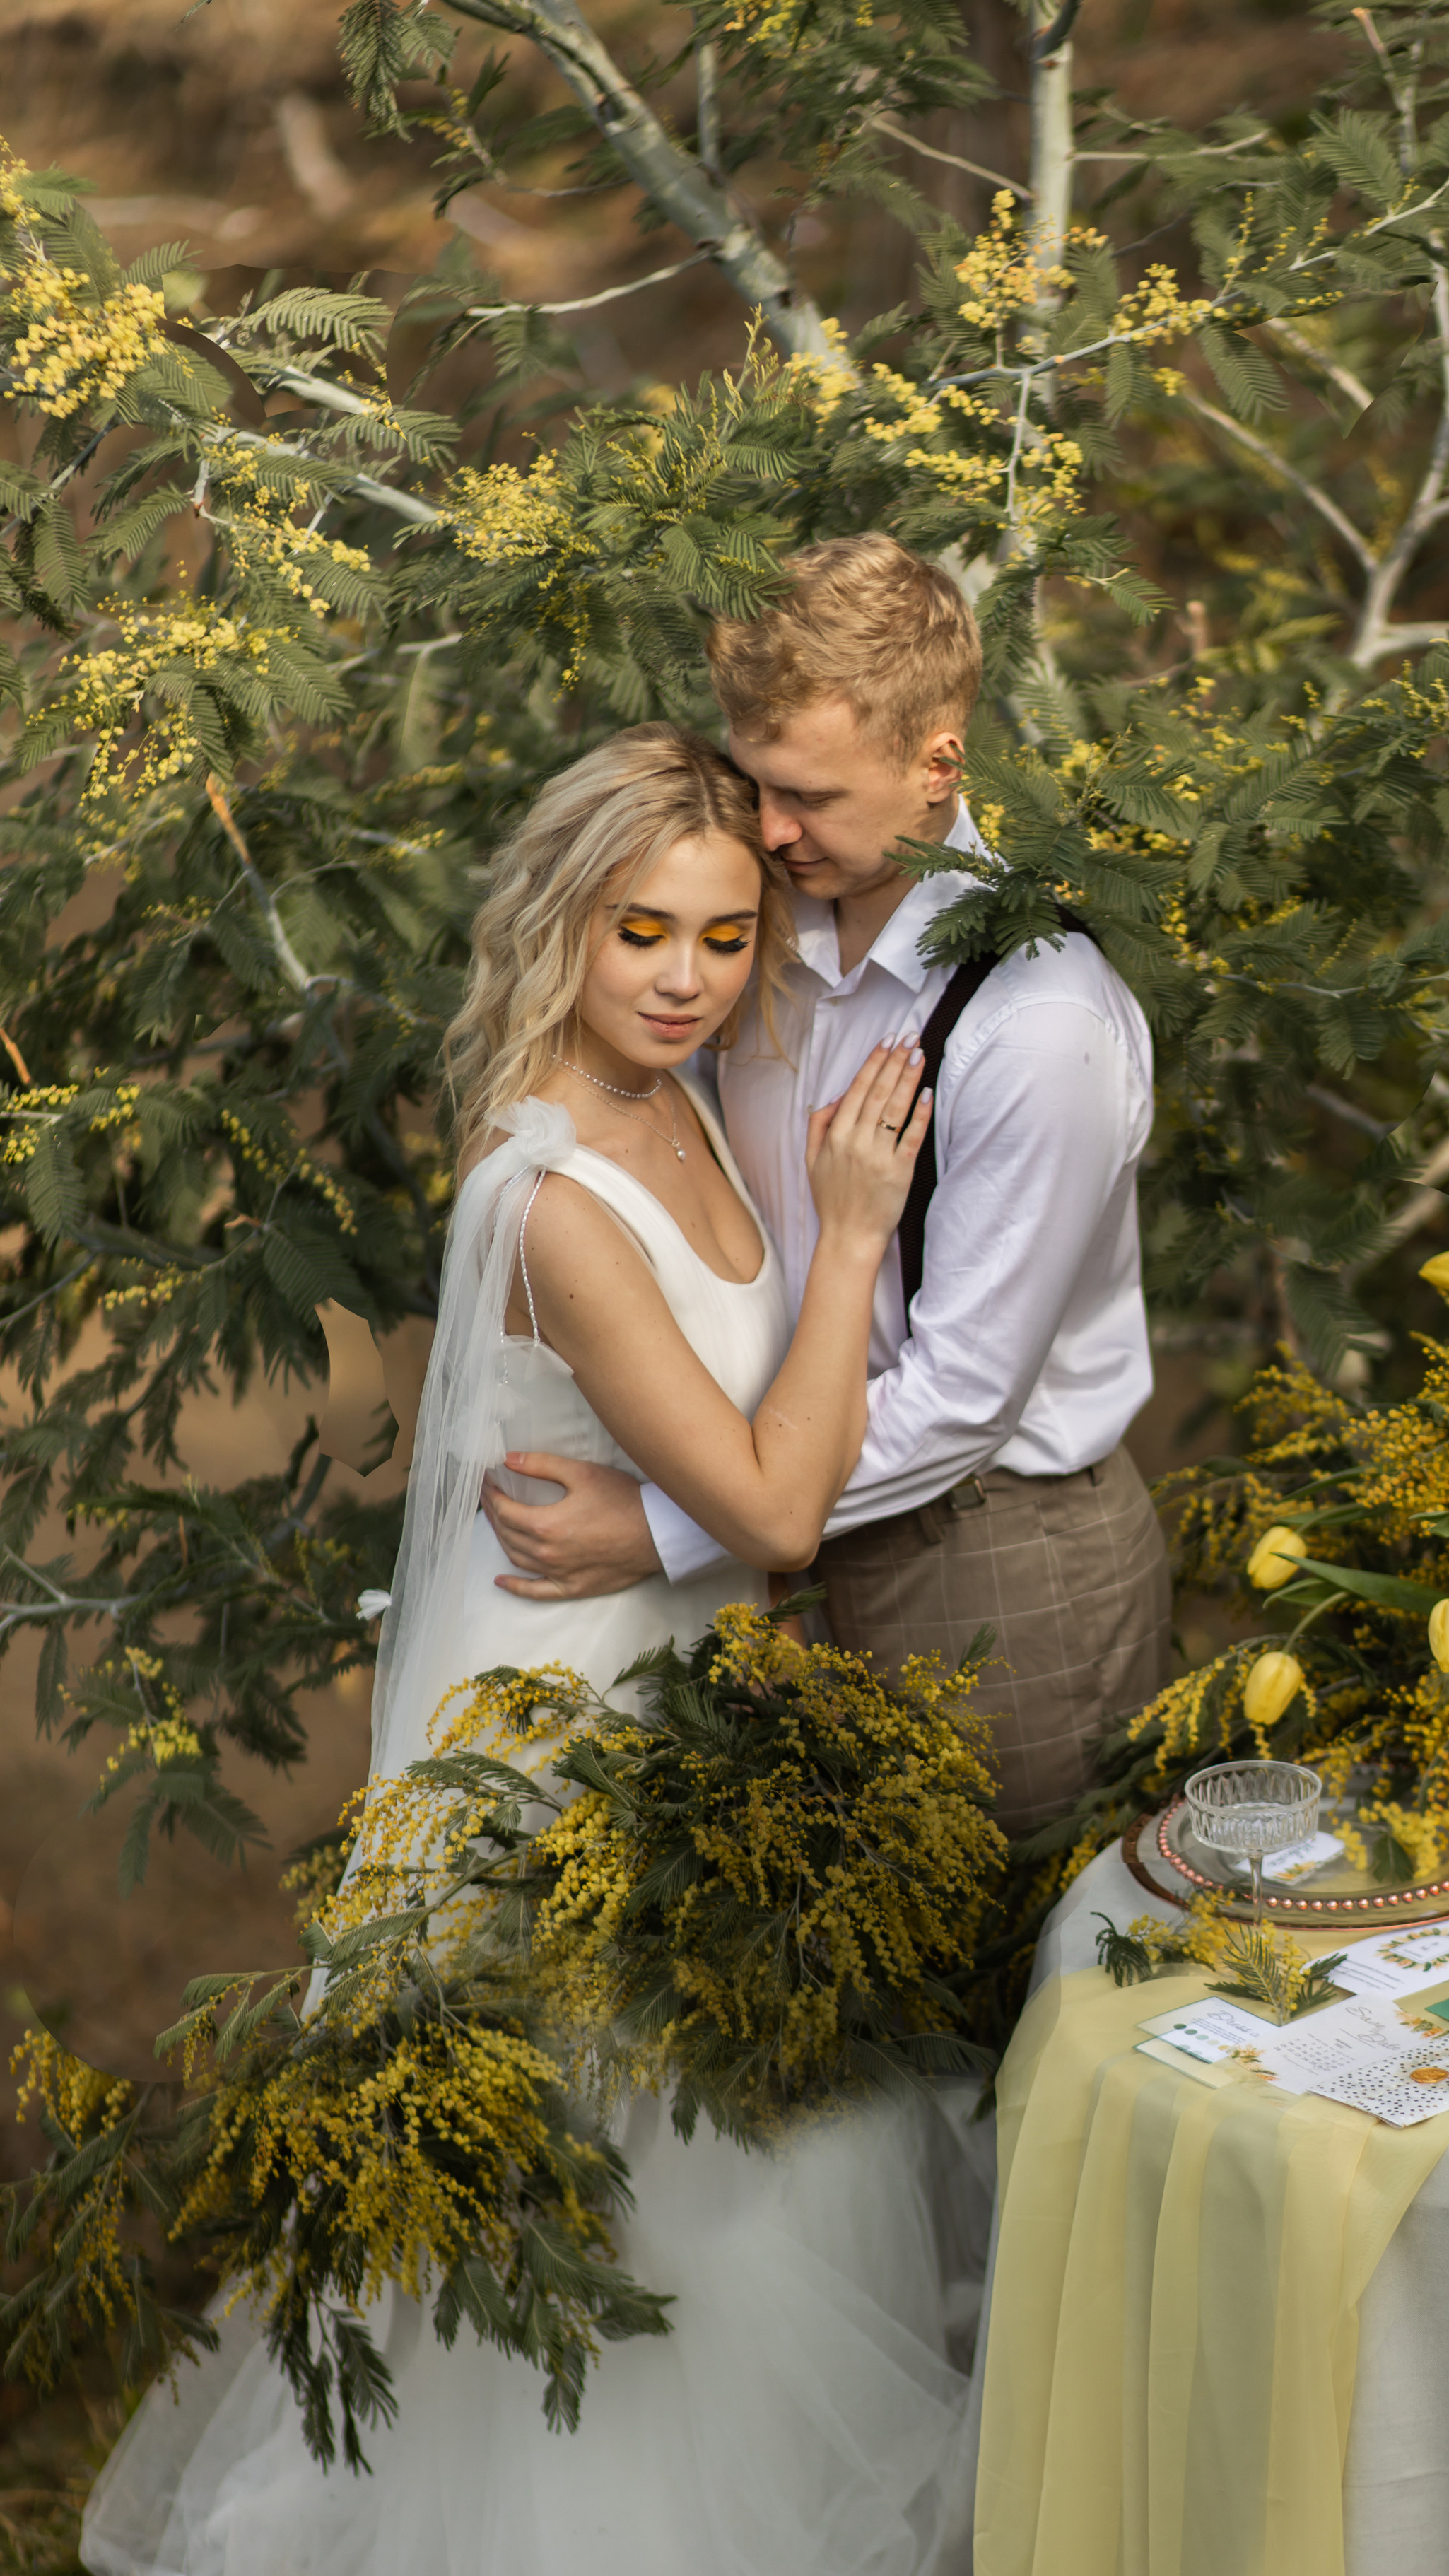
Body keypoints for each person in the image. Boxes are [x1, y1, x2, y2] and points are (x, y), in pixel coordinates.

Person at [80, 721, 994, 2576]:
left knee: (758, 2170)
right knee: (642, 2184)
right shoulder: (561, 1195)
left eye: (728, 934)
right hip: (565, 1751)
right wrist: (847, 1244)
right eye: (640, 932)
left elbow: (755, 1493)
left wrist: (697, 1525)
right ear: (561, 927)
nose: (685, 974)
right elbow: (770, 1504)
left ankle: (768, 2543)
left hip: (686, 1698)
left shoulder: (711, 1085)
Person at [479, 535, 1171, 1837]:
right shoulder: (747, 933)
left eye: (809, 795)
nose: (774, 828)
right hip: (771, 1525)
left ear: (936, 765)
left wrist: (673, 1531)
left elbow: (966, 1396)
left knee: (1006, 1969)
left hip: (989, 1555)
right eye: (753, 782)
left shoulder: (1037, 1024)